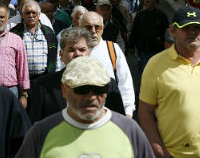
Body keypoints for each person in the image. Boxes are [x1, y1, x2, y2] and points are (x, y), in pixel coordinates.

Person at [139, 5, 200, 158]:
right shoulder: (155, 64)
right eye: (186, 28)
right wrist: (160, 152)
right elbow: (145, 111)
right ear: (172, 31)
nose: (193, 33)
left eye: (197, 28)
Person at [16, 56, 154, 158]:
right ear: (64, 90)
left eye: (99, 89)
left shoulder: (129, 130)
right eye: (82, 89)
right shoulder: (41, 132)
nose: (91, 97)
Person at [28, 27, 125, 123]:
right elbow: (34, 123)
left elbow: (119, 123)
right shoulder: (44, 85)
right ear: (61, 55)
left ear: (89, 53)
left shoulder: (107, 83)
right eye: (71, 50)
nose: (77, 54)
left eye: (82, 49)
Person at [80, 11, 135, 117]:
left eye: (97, 27)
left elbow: (125, 81)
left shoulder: (113, 49)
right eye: (88, 27)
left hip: (112, 111)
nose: (93, 31)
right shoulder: (74, 52)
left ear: (103, 28)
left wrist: (128, 111)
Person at [11, 0, 57, 79]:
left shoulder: (49, 32)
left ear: (39, 14)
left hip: (45, 78)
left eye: (34, 13)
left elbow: (55, 56)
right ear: (22, 15)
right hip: (22, 79)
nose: (31, 15)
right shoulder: (14, 32)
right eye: (27, 13)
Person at [128, 0, 169, 75]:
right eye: (144, 1)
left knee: (156, 72)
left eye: (148, 2)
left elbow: (167, 32)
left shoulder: (161, 16)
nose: (145, 3)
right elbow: (134, 31)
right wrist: (131, 45)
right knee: (144, 71)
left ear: (154, 2)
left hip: (156, 49)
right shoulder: (139, 15)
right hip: (143, 50)